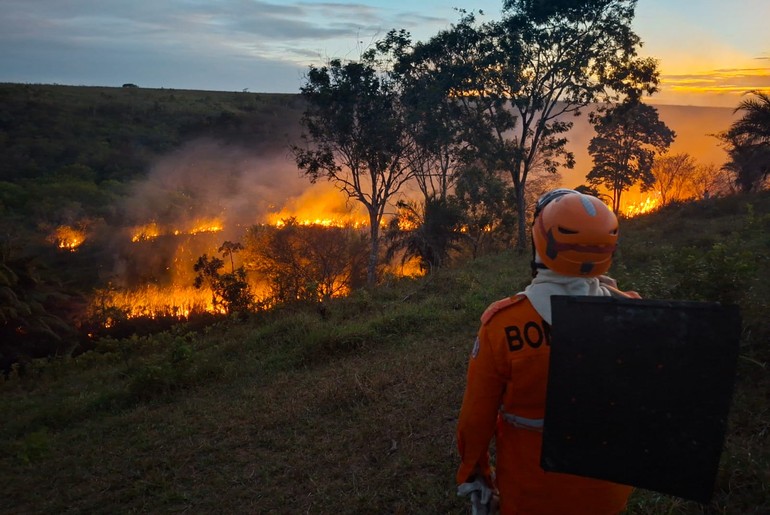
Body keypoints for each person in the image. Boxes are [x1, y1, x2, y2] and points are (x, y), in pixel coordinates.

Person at [456, 188, 640, 515]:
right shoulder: (635, 315)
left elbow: (475, 420)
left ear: (542, 243)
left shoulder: (503, 325)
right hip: (609, 493)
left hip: (532, 495)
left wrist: (476, 477)